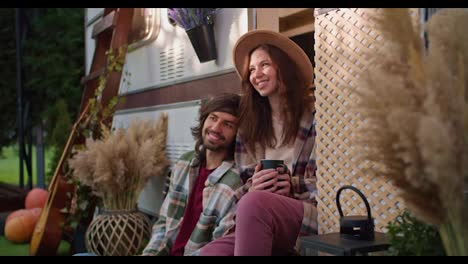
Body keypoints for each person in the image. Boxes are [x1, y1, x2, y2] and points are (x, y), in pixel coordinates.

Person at [199, 29, 317, 256]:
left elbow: (330, 183)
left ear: (283, 66)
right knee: (209, 253)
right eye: (252, 69)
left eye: (264, 65)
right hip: (259, 215)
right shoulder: (249, 127)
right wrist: (254, 187)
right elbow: (246, 183)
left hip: (306, 214)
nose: (256, 74)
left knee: (254, 204)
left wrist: (292, 185)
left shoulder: (316, 116)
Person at [141, 93, 243, 256]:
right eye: (213, 118)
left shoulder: (234, 184)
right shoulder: (184, 164)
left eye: (228, 124)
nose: (216, 128)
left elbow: (219, 246)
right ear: (204, 120)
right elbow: (163, 223)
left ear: (238, 133)